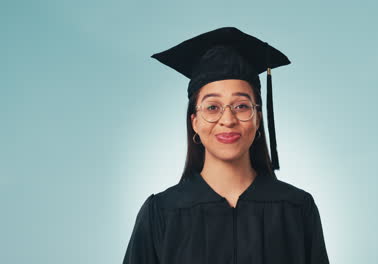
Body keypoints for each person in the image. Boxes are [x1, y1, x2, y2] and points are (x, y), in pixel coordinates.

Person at [122, 27, 330, 264]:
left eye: (241, 106)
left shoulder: (296, 209)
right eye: (212, 107)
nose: (228, 120)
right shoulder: (161, 213)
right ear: (195, 122)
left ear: (258, 118)